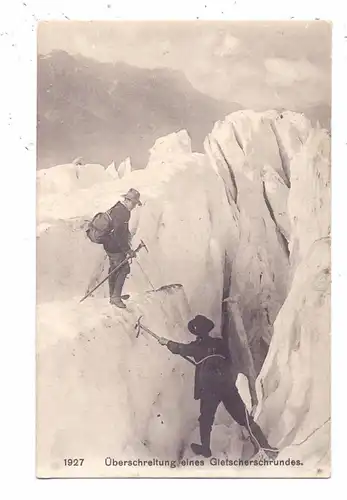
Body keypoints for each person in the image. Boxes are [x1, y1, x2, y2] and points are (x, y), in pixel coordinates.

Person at [158, 314, 278, 459]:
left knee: (206, 419)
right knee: (245, 419)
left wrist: (166, 342)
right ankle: (265, 447)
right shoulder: (219, 343)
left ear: (196, 331)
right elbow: (229, 359)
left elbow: (180, 349)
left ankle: (205, 449)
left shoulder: (197, 346)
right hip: (227, 385)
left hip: (210, 388)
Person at [102, 188, 142, 308]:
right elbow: (118, 234)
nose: (134, 206)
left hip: (109, 244)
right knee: (123, 269)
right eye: (134, 203)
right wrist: (127, 250)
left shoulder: (119, 208)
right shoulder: (122, 212)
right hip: (115, 246)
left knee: (115, 268)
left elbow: (120, 230)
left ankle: (113, 294)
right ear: (128, 200)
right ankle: (115, 297)